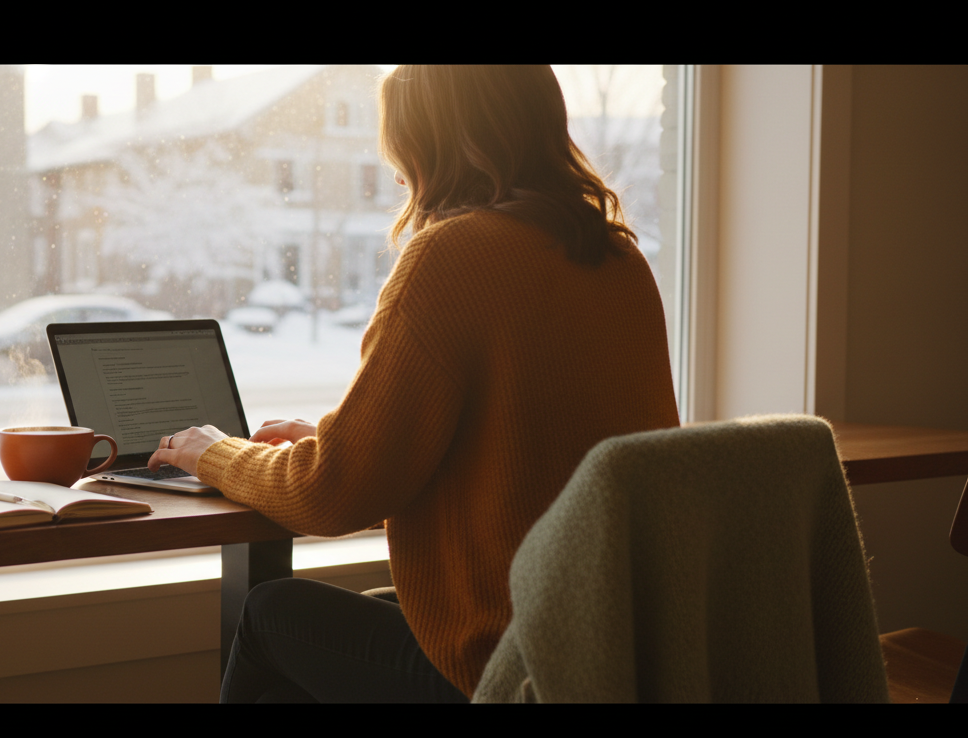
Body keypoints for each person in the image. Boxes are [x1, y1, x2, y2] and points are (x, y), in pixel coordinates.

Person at [148, 65, 680, 702]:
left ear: (438, 143)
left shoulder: (452, 256)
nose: (398, 174)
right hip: (612, 648)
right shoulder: (620, 259)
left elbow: (331, 495)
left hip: (511, 668)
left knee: (270, 615)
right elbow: (527, 442)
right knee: (378, 606)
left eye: (400, 149)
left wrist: (217, 455)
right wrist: (327, 439)